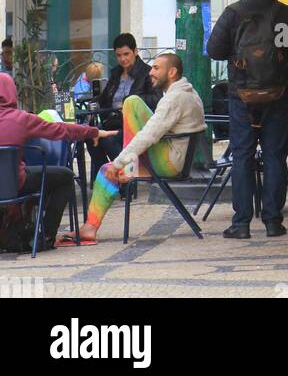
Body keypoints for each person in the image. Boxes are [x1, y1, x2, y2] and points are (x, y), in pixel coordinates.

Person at [58, 51, 205, 246]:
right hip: (175, 157)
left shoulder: (175, 98)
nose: (151, 72)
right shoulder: (186, 92)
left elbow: (149, 134)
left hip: (170, 162)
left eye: (156, 68)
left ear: (172, 72)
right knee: (106, 170)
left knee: (131, 102)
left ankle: (125, 170)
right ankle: (90, 228)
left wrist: (121, 161)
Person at [207, 0, 288, 240]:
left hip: (242, 95)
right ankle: (273, 221)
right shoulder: (286, 14)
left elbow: (213, 50)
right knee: (275, 155)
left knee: (242, 156)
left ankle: (241, 224)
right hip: (277, 94)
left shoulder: (233, 13)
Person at [0, 73, 112, 249]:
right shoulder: (21, 119)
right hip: (16, 183)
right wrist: (93, 131)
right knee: (65, 177)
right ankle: (45, 235)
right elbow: (60, 130)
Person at [91, 34, 156, 182]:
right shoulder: (116, 73)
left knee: (108, 140)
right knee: (91, 136)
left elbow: (156, 99)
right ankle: (109, 178)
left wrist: (129, 102)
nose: (123, 59)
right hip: (113, 122)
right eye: (119, 55)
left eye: (126, 54)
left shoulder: (147, 73)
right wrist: (93, 102)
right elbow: (105, 97)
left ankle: (127, 179)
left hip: (134, 125)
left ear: (135, 51)